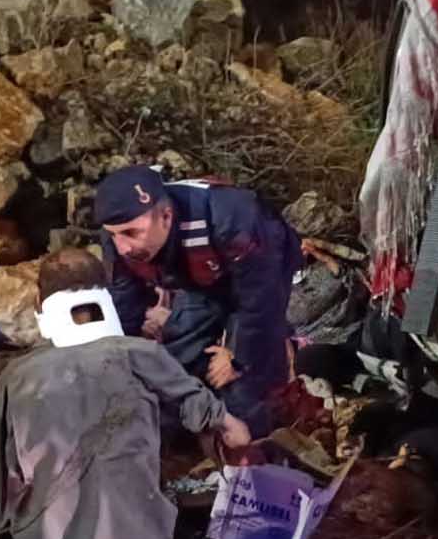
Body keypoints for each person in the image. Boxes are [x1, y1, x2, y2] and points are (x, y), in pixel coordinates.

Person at [0, 249, 253, 539]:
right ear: (105, 294)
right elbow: (208, 413)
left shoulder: (14, 381)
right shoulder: (143, 355)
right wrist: (229, 423)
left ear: (40, 304)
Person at [95, 165, 302, 438]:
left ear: (166, 217)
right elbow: (123, 306)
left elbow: (261, 302)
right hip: (199, 280)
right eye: (114, 234)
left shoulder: (230, 218)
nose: (123, 247)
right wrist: (115, 369)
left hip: (264, 265)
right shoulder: (118, 239)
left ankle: (265, 428)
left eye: (132, 233)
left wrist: (237, 358)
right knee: (174, 356)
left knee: (250, 379)